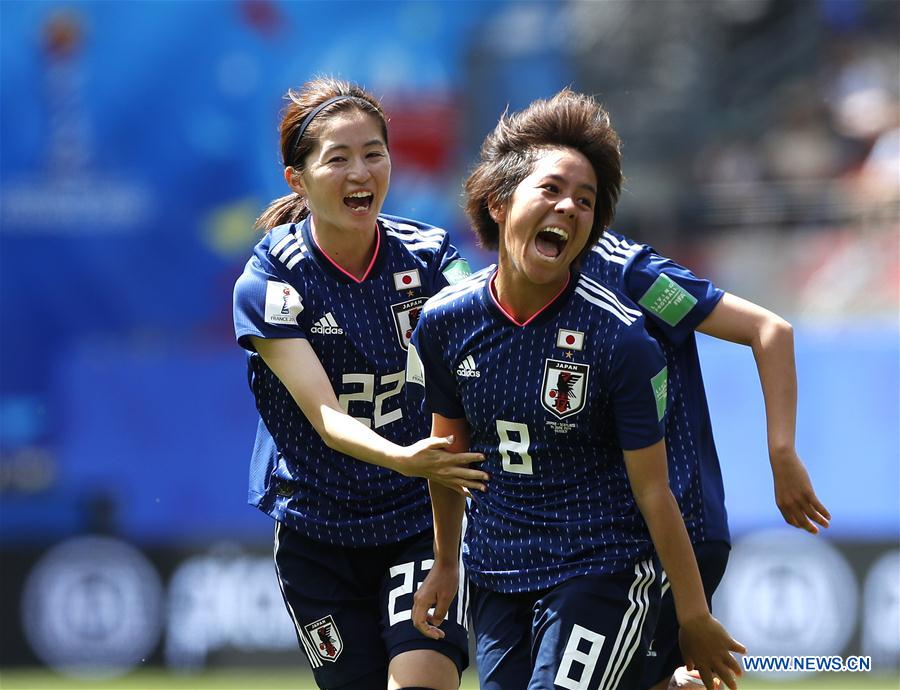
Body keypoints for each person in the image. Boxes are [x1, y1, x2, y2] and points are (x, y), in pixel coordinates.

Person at [408, 89, 745, 690]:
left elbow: (656, 492)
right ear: (498, 201)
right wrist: (445, 564)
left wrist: (693, 615)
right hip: (497, 571)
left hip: (603, 568)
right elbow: (446, 459)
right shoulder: (443, 322)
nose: (568, 208)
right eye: (552, 190)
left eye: (585, 202)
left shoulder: (622, 341)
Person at [232, 77, 488, 690]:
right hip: (315, 530)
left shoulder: (431, 261)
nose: (361, 172)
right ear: (298, 179)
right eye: (338, 158)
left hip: (416, 519)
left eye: (374, 153)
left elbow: (487, 340)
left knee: (423, 681)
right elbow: (326, 418)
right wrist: (407, 456)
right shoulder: (269, 283)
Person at [583, 183, 830, 690]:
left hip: (675, 527)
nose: (561, 206)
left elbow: (770, 330)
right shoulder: (509, 289)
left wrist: (781, 453)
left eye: (578, 193)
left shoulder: (634, 275)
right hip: (596, 531)